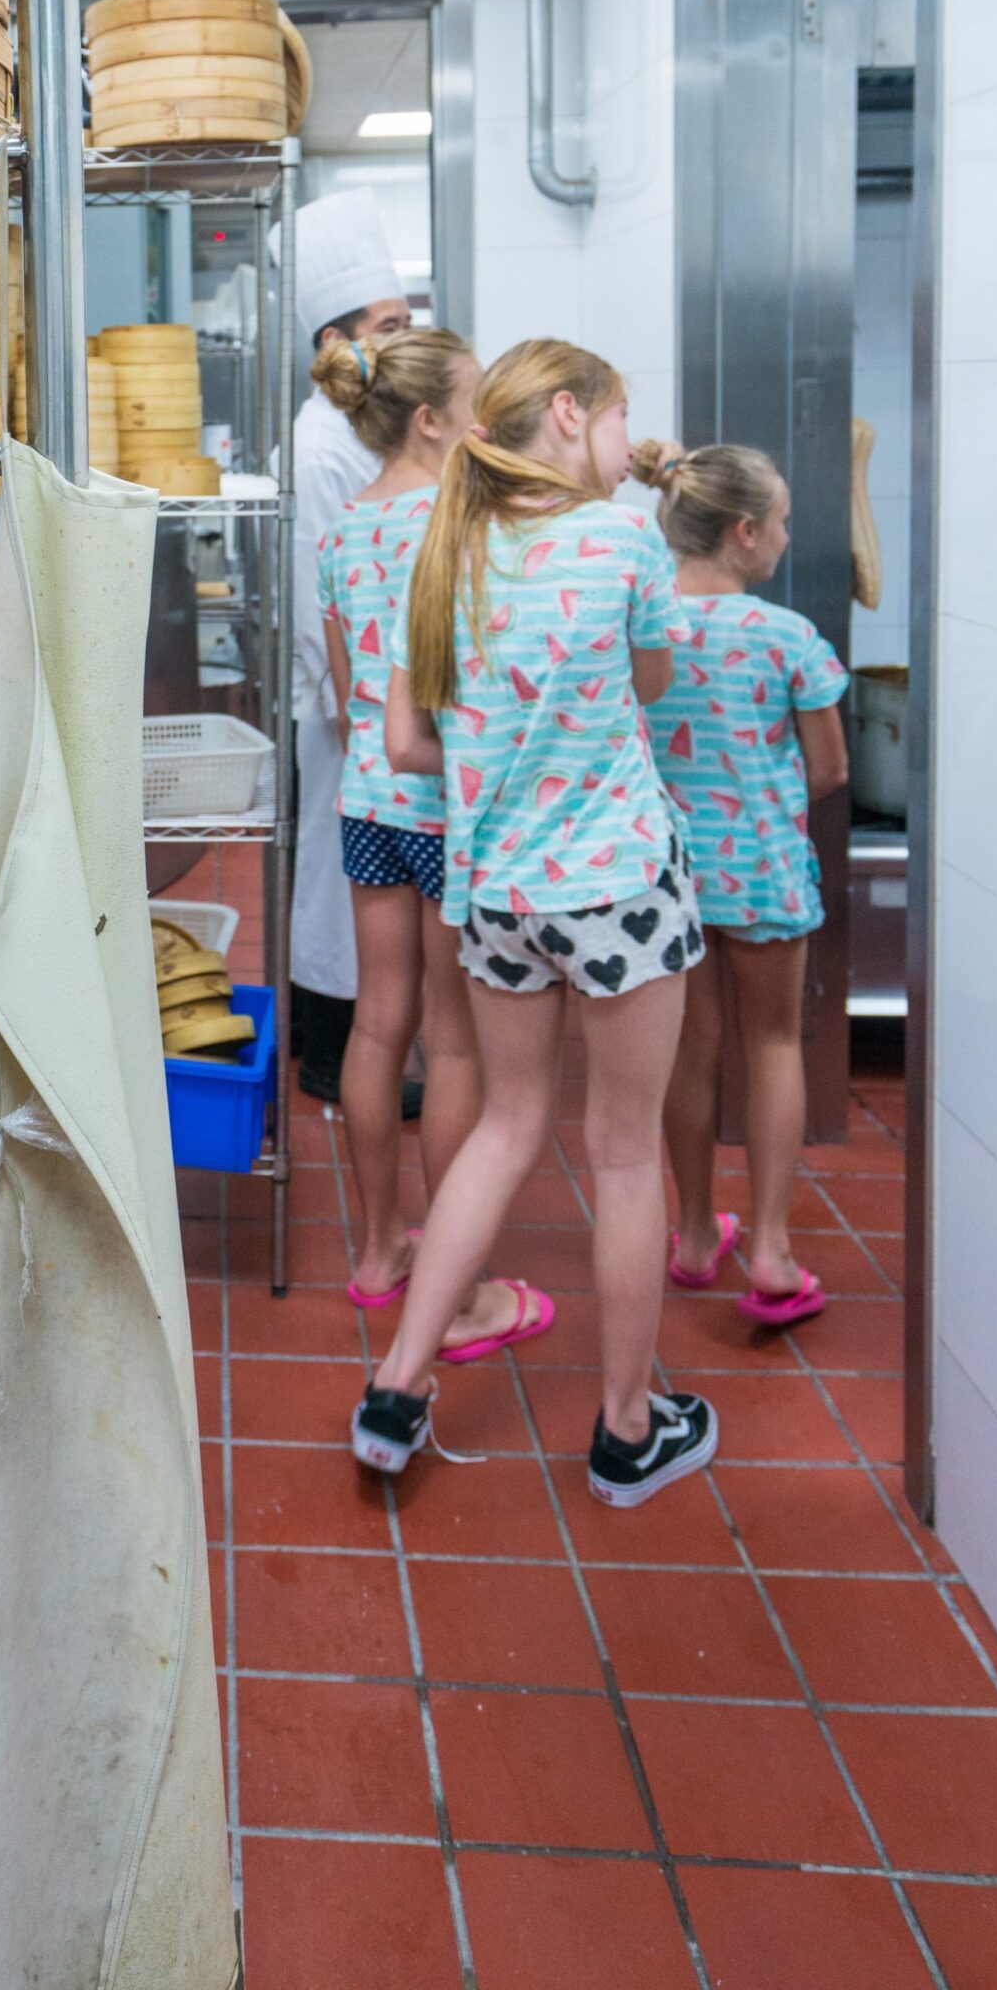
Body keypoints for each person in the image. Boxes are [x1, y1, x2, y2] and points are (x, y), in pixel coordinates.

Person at [357, 339, 719, 1511]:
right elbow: (649, 684)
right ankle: (626, 1430)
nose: (623, 442)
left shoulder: (444, 547)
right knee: (621, 1151)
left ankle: (394, 1389)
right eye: (617, 418)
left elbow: (406, 743)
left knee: (504, 1128)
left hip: (495, 893)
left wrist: (493, 747)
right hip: (615, 886)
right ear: (567, 414)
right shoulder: (621, 539)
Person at [316, 326, 548, 1360]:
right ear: (429, 420)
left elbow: (345, 698)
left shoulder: (342, 533)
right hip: (449, 808)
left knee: (377, 1026)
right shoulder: (464, 525)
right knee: (451, 1044)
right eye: (474, 404)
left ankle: (377, 1253)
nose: (485, 422)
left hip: (368, 800)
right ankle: (459, 1293)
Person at [634, 441, 850, 1329]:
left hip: (666, 874)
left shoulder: (642, 630)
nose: (787, 538)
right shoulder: (787, 637)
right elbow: (830, 769)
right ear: (744, 531)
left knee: (688, 1050)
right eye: (783, 522)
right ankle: (769, 1248)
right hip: (762, 868)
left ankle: (693, 1236)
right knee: (772, 1044)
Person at [278, 189, 413, 1104]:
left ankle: (361, 1040)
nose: (406, 338)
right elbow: (311, 593)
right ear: (338, 341)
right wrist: (351, 707)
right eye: (390, 325)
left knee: (361, 876)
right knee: (334, 875)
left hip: (382, 701)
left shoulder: (369, 432)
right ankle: (330, 1051)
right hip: (347, 704)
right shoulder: (319, 445)